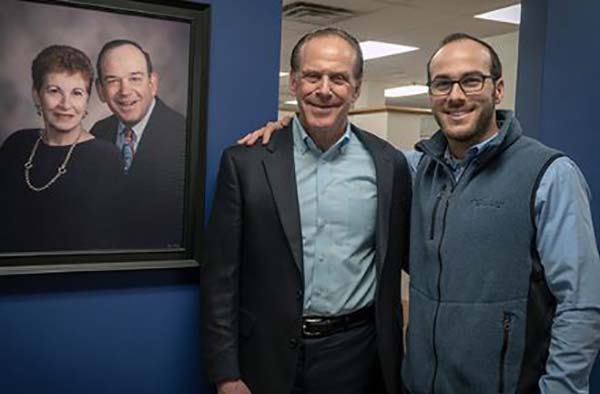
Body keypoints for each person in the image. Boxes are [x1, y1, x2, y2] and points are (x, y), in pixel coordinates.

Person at [240, 32, 600, 393]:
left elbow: (581, 304)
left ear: (499, 89)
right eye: (442, 84)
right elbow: (349, 151)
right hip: (419, 384)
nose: (455, 96)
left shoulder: (550, 175)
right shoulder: (410, 170)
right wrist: (291, 128)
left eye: (471, 81)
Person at [201, 28, 411, 394]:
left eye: (339, 78)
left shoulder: (388, 163)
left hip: (357, 356)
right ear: (294, 82)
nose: (324, 89)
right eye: (313, 76)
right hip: (265, 356)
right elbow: (220, 278)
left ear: (357, 88)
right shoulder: (246, 162)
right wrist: (226, 374)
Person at [0, 45, 123, 252]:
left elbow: (107, 243)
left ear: (86, 100)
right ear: (37, 95)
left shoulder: (105, 158)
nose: (65, 104)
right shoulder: (17, 144)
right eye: (54, 91)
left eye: (77, 93)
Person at [92, 39, 186, 249]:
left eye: (135, 78)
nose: (125, 91)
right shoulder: (98, 132)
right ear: (100, 89)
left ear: (152, 84)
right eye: (113, 80)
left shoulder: (185, 136)